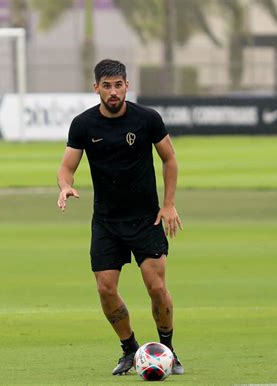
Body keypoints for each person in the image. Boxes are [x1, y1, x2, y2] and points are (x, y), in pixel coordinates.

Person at [57, 59, 184, 376]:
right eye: (106, 86)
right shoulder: (83, 125)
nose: (112, 92)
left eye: (118, 85)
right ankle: (129, 350)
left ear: (127, 85)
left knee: (156, 288)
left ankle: (167, 350)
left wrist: (168, 205)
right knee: (105, 288)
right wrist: (65, 186)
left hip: (146, 219)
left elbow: (169, 159)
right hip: (106, 221)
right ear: (95, 88)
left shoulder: (147, 119)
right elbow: (66, 167)